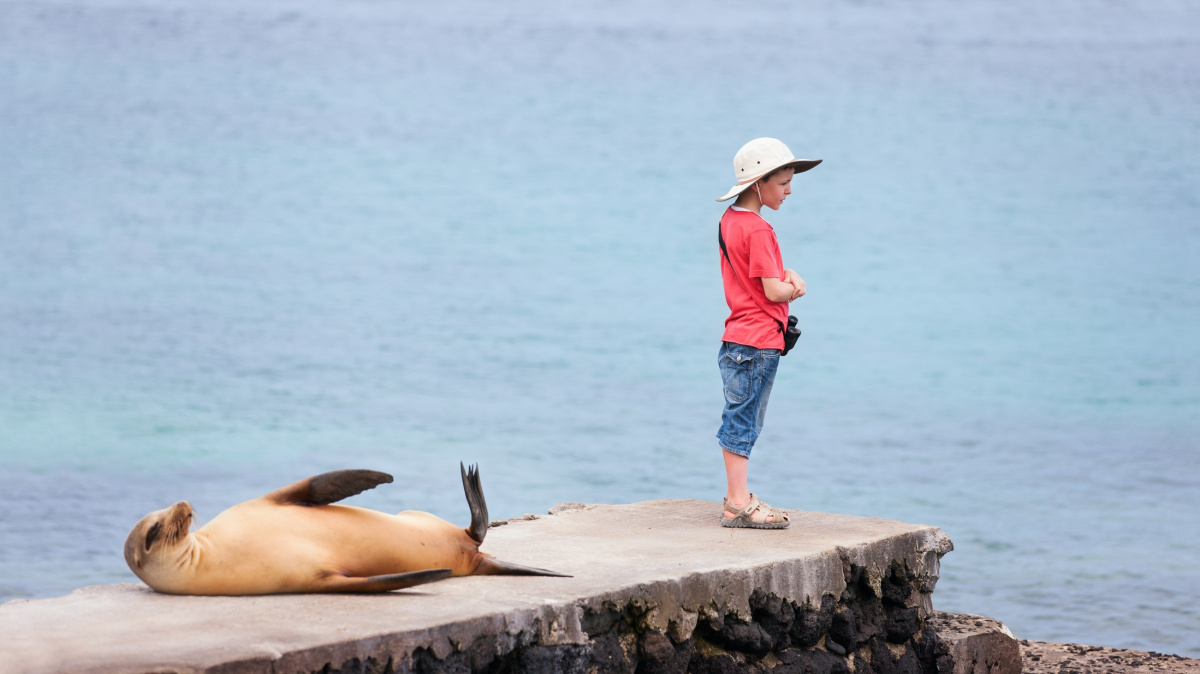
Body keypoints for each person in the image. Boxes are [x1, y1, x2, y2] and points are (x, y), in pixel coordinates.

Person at [714, 137, 821, 529]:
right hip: (757, 342)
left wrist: (782, 274)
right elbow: (772, 290)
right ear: (758, 184)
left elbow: (751, 278)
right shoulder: (760, 230)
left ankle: (736, 497)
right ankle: (738, 502)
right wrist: (796, 285)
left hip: (736, 337)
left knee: (737, 416)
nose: (790, 190)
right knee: (744, 422)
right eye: (783, 183)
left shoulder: (730, 220)